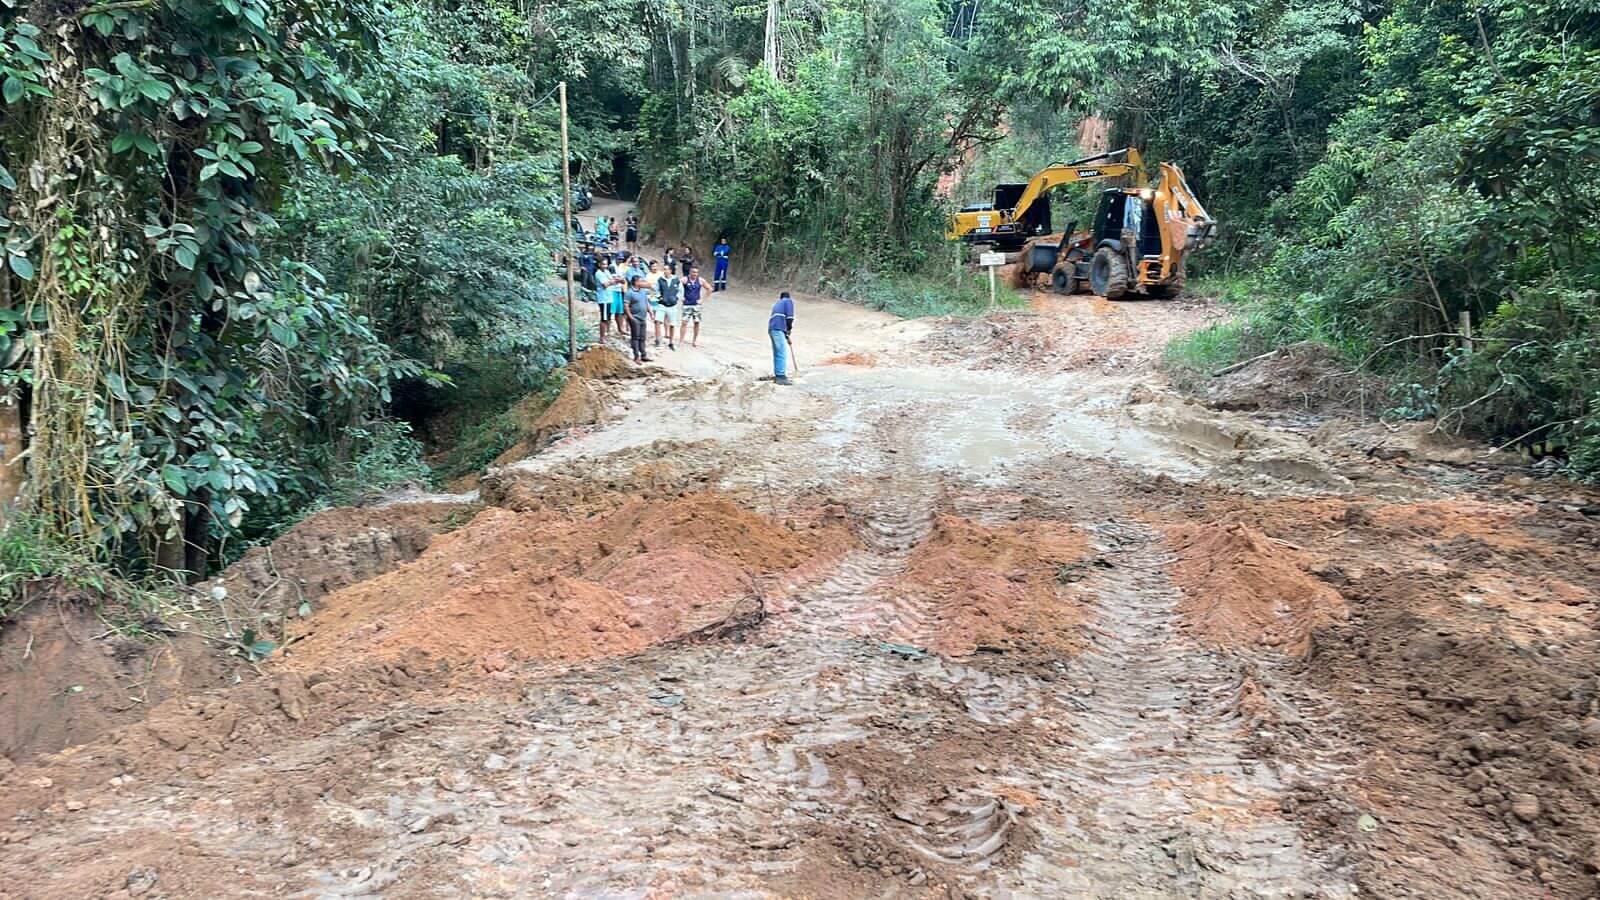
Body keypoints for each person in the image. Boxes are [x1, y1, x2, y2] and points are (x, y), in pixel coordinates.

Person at [593, 258, 625, 343]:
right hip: (604, 299)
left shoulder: (606, 272)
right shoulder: (598, 273)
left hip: (609, 297)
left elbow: (614, 280)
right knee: (604, 318)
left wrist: (615, 280)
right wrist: (615, 280)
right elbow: (605, 284)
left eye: (606, 264)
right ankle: (602, 337)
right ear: (599, 264)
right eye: (603, 264)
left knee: (607, 317)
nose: (605, 266)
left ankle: (606, 335)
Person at [768, 291, 795, 385]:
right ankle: (780, 376)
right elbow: (790, 318)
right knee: (781, 352)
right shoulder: (788, 301)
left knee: (777, 352)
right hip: (778, 328)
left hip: (773, 329)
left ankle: (778, 374)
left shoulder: (777, 304)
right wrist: (789, 330)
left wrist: (786, 335)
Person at [682, 265, 712, 348]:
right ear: (690, 272)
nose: (695, 274)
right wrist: (681, 296)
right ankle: (681, 341)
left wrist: (702, 300)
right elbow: (677, 287)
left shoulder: (700, 280)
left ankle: (694, 341)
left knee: (697, 322)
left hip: (696, 305)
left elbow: (709, 289)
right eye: (693, 272)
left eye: (696, 272)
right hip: (687, 304)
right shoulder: (684, 279)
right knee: (684, 322)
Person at [655, 264, 684, 351]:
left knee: (672, 324)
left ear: (670, 271)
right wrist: (659, 297)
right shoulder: (660, 280)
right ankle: (658, 339)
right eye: (664, 269)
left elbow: (680, 291)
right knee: (657, 321)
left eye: (666, 269)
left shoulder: (676, 280)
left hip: (672, 305)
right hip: (662, 304)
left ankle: (671, 342)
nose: (665, 271)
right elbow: (657, 290)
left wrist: (676, 298)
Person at [625, 276, 653, 363]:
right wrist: (630, 317)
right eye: (641, 281)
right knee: (635, 337)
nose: (643, 283)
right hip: (635, 317)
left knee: (642, 337)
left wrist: (650, 312)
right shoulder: (629, 293)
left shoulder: (643, 291)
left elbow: (646, 302)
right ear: (636, 282)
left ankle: (643, 355)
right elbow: (626, 306)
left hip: (643, 317)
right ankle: (636, 356)